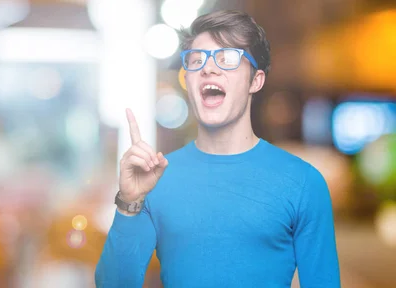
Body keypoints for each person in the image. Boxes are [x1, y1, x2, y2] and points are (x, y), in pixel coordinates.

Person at [95, 10, 340, 287]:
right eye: (196, 61)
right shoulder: (154, 180)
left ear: (255, 81)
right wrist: (128, 203)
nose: (208, 68)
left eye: (227, 58)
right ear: (187, 80)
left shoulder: (303, 183)